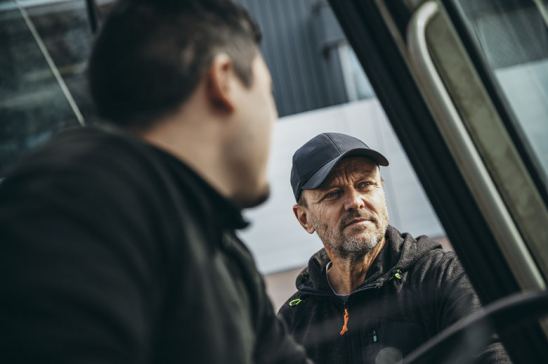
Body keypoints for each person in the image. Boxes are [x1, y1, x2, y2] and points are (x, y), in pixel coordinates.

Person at [0, 1, 310, 363]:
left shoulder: (223, 252)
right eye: (268, 92)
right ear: (223, 80)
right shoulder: (75, 203)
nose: (272, 117)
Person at [278, 132, 510, 363]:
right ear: (304, 218)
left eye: (365, 184)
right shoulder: (293, 322)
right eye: (334, 194)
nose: (355, 202)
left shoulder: (441, 276)